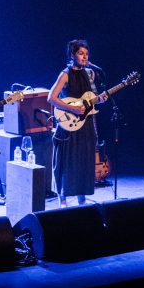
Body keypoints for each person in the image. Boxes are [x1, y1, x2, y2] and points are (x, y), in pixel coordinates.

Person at [48, 39, 107, 207]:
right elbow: (51, 98)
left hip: (86, 124)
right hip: (69, 124)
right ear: (72, 55)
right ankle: (63, 199)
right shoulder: (65, 74)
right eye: (81, 53)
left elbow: (92, 98)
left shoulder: (91, 73)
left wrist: (100, 100)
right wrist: (71, 109)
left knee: (84, 161)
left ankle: (82, 200)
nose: (84, 56)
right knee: (66, 162)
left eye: (86, 54)